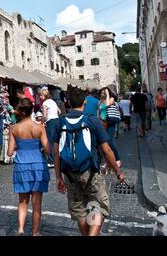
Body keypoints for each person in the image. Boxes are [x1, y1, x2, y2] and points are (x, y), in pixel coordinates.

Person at [53, 88, 125, 236]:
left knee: (80, 210)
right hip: (90, 172)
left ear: (68, 102)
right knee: (99, 206)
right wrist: (118, 172)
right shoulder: (92, 120)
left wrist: (58, 177)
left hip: (70, 174)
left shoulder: (60, 122)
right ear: (85, 101)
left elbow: (56, 152)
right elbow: (106, 150)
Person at [7, 98, 50, 236]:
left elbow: (9, 152)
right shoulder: (39, 127)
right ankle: (35, 232)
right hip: (38, 165)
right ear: (32, 110)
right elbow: (48, 149)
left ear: (20, 111)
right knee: (36, 203)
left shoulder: (14, 128)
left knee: (22, 201)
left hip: (21, 166)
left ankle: (20, 229)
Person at [98, 87, 121, 166]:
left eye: (104, 92)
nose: (103, 94)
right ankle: (107, 160)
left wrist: (107, 94)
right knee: (103, 143)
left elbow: (107, 105)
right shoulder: (100, 101)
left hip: (110, 122)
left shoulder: (111, 99)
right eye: (102, 92)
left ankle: (117, 159)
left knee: (110, 142)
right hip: (102, 123)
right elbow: (99, 112)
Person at [39, 89, 61, 168]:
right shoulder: (52, 101)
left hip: (51, 122)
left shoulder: (45, 103)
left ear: (44, 95)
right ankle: (57, 159)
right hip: (57, 121)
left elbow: (44, 116)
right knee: (56, 141)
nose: (40, 97)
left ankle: (51, 161)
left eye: (41, 95)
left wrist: (42, 122)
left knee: (50, 142)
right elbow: (59, 111)